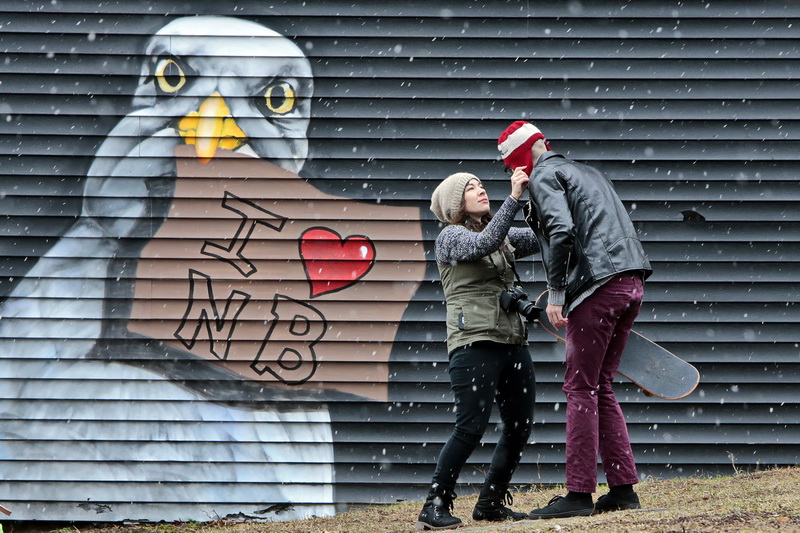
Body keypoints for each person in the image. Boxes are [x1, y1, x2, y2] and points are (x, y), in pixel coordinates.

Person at [496, 121, 652, 519]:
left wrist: (558, 293)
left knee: (580, 388)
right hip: (631, 280)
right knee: (600, 385)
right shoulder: (587, 171)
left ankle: (578, 494)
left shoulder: (545, 175)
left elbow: (562, 231)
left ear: (521, 159)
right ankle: (622, 490)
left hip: (595, 288)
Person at [416, 170, 540, 530]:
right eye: (470, 188)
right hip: (474, 343)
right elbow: (483, 243)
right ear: (456, 204)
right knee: (470, 427)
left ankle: (490, 502)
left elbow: (539, 235)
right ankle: (435, 504)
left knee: (519, 425)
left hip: (511, 341)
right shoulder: (450, 237)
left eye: (481, 185)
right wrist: (513, 198)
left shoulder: (501, 236)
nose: (480, 189)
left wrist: (544, 198)